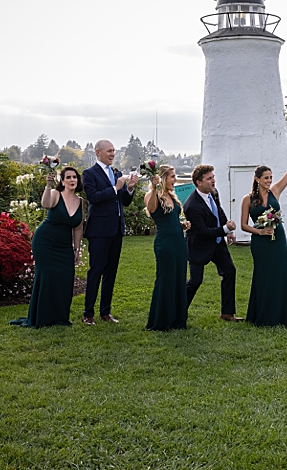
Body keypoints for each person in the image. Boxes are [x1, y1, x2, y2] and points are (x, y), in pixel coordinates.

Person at [240, 141, 287, 326]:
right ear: (257, 179)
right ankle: (261, 315)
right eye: (266, 178)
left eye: (270, 177)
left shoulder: (275, 191)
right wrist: (260, 232)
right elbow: (243, 225)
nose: (269, 181)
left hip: (277, 239)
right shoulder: (247, 199)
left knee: (280, 275)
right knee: (263, 276)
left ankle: (281, 317)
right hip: (260, 243)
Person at [11, 166, 85, 327]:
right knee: (46, 277)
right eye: (69, 177)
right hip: (45, 242)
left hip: (64, 246)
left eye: (75, 177)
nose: (72, 180)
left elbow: (78, 227)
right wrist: (48, 185)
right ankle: (42, 317)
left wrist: (77, 249)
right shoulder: (55, 194)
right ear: (62, 181)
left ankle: (60, 317)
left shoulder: (81, 202)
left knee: (65, 277)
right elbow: (45, 205)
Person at [81, 140, 136, 325]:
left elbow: (124, 202)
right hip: (99, 230)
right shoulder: (89, 174)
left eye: (114, 151)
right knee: (95, 271)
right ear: (98, 152)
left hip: (116, 230)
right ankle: (88, 314)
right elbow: (94, 198)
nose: (113, 154)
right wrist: (116, 187)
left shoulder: (116, 173)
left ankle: (106, 312)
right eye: (109, 151)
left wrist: (129, 188)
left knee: (111, 272)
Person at [183, 164, 240, 321]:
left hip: (217, 243)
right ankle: (178, 310)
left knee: (229, 271)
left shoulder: (214, 193)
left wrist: (229, 231)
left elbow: (219, 212)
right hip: (198, 246)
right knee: (195, 281)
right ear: (198, 182)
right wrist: (224, 229)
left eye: (213, 177)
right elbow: (202, 231)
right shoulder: (191, 205)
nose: (213, 180)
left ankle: (227, 313)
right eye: (209, 178)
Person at [145, 165, 190, 331]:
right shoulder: (153, 195)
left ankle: (177, 319)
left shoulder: (172, 195)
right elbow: (151, 209)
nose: (175, 179)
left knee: (179, 277)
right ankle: (161, 320)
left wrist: (182, 225)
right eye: (172, 176)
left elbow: (171, 219)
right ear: (163, 178)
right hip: (165, 243)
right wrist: (154, 187)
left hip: (179, 241)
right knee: (165, 278)